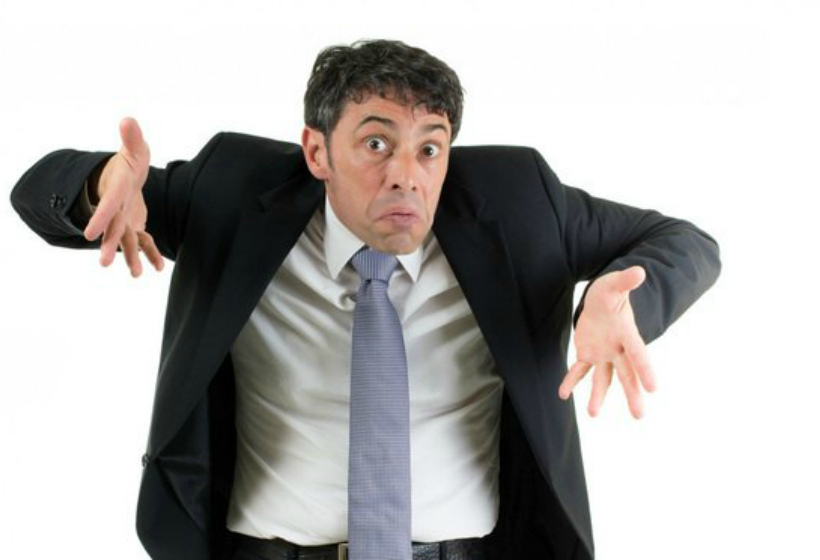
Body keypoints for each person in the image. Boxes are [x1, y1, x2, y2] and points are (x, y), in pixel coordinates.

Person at [9, 39, 721, 560]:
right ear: (317, 152)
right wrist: (100, 184)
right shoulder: (234, 194)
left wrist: (617, 300)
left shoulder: (518, 203)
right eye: (377, 144)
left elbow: (683, 241)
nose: (407, 175)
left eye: (429, 148)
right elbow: (37, 189)